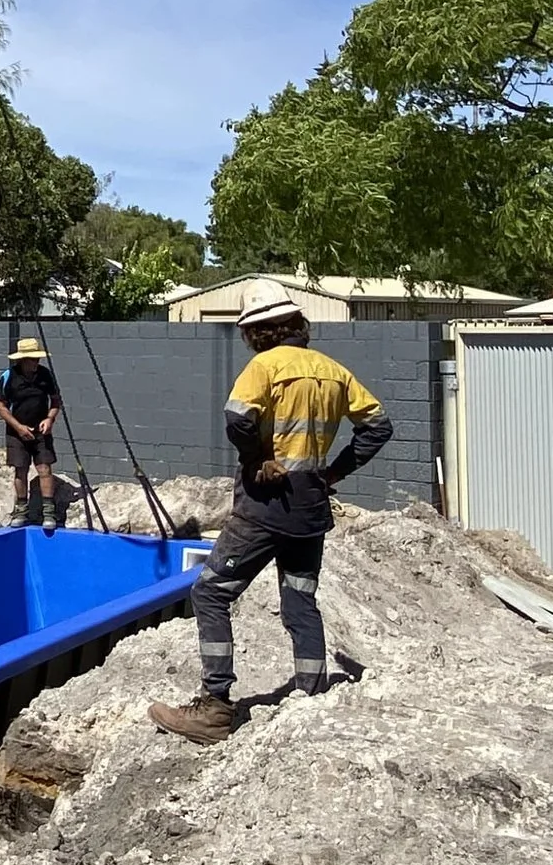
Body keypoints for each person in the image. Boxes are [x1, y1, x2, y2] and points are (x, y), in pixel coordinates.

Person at [150, 278, 392, 743]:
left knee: (212, 593)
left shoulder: (264, 366)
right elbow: (378, 426)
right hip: (311, 508)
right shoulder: (333, 371)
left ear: (256, 333)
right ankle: (312, 695)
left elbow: (238, 418)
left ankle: (216, 708)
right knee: (300, 599)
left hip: (266, 507)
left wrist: (257, 459)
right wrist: (334, 473)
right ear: (298, 325)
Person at [0, 333, 64, 530]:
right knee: (20, 469)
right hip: (17, 431)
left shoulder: (45, 375)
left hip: (41, 430)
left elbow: (56, 400)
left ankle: (49, 511)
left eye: (37, 358)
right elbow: (0, 405)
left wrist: (50, 418)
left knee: (44, 468)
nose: (36, 362)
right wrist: (18, 427)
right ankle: (21, 509)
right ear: (22, 360)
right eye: (32, 359)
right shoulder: (9, 377)